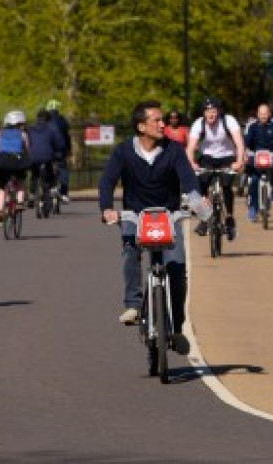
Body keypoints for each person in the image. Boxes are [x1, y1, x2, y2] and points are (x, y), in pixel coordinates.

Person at [99, 100, 207, 358]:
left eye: (162, 120)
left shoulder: (174, 150)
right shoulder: (123, 152)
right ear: (141, 126)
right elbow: (107, 181)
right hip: (135, 216)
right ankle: (134, 305)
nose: (163, 124)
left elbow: (188, 179)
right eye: (156, 121)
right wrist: (107, 209)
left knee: (177, 268)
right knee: (130, 251)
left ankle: (178, 324)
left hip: (168, 216)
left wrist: (197, 201)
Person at [186, 97, 244, 240]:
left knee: (226, 186)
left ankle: (229, 218)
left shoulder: (229, 121)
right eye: (207, 112)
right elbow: (190, 147)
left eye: (213, 111)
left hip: (227, 157)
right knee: (200, 186)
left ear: (218, 112)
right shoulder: (198, 124)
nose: (210, 115)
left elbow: (239, 143)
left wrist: (239, 161)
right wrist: (191, 163)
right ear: (204, 113)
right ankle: (204, 218)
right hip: (207, 158)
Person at [243, 104, 273, 221]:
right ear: (257, 114)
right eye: (261, 114)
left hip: (271, 154)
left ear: (269, 114)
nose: (263, 116)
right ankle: (253, 207)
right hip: (254, 154)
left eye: (265, 114)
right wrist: (245, 152)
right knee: (255, 180)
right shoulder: (251, 125)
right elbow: (246, 141)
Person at [0, 110, 30, 224]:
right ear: (20, 124)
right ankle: (19, 203)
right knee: (20, 183)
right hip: (15, 160)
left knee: (1, 188)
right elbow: (27, 149)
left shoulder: (0, 133)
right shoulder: (22, 134)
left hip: (1, 160)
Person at [26, 109, 62, 208]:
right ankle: (54, 189)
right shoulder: (52, 128)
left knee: (34, 175)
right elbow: (59, 143)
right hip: (47, 156)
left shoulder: (30, 128)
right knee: (50, 173)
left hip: (33, 156)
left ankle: (32, 195)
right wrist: (59, 153)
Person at [45, 99, 72, 203]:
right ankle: (64, 193)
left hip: (48, 150)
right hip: (60, 151)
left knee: (47, 168)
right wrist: (69, 150)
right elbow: (67, 137)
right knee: (63, 170)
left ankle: (50, 187)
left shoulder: (45, 121)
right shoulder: (62, 121)